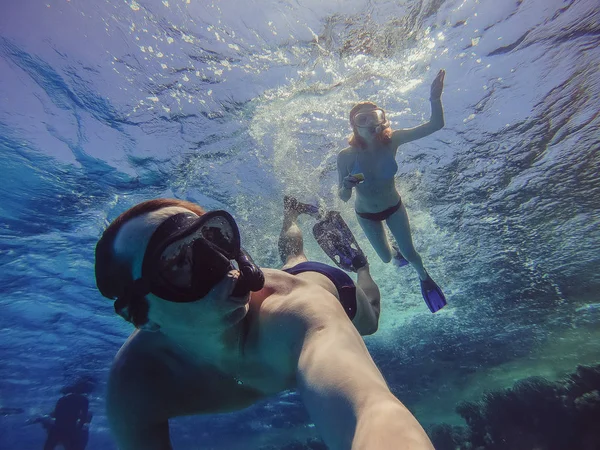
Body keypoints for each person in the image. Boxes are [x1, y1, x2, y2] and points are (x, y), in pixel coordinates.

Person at [95, 197, 434, 450]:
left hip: (319, 283)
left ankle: (360, 268)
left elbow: (370, 408)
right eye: (176, 262)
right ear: (140, 316)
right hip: (283, 282)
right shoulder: (137, 384)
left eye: (214, 238)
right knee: (292, 257)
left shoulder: (298, 313)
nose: (221, 268)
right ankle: (291, 213)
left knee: (368, 318)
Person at [337, 69, 448, 313]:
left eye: (373, 116)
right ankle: (396, 252)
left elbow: (436, 124)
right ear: (354, 125)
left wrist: (434, 97)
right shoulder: (346, 156)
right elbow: (343, 198)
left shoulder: (393, 140)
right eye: (361, 119)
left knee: (412, 255)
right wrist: (345, 186)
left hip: (394, 206)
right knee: (387, 259)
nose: (369, 123)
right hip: (366, 214)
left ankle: (424, 277)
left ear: (382, 119)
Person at [29, 385, 93, 450]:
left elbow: (56, 413)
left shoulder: (63, 399)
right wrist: (78, 430)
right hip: (70, 428)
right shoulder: (83, 400)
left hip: (57, 427)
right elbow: (83, 417)